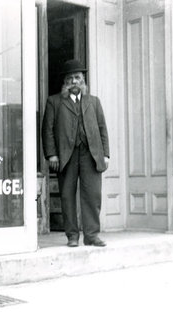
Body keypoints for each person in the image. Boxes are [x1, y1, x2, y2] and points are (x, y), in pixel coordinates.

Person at [42, 59, 109, 247]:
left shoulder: (94, 102)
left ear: (83, 80)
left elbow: (102, 128)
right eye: (70, 78)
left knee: (93, 195)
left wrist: (106, 154)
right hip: (66, 155)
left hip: (91, 154)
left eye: (77, 78)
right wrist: (52, 155)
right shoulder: (54, 102)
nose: (74, 82)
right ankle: (72, 236)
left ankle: (92, 235)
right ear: (65, 82)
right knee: (67, 195)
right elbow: (47, 130)